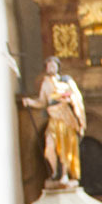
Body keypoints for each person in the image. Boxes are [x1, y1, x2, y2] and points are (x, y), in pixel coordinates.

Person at [22, 56, 86, 188]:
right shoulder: (45, 84)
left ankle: (65, 175)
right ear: (46, 68)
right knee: (50, 146)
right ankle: (55, 172)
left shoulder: (66, 81)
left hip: (66, 118)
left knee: (65, 146)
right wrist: (30, 102)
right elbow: (42, 102)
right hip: (53, 118)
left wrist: (68, 99)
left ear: (58, 67)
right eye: (49, 65)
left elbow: (76, 97)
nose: (51, 67)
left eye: (53, 65)